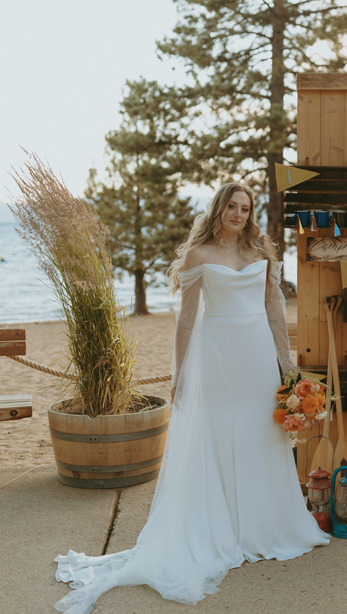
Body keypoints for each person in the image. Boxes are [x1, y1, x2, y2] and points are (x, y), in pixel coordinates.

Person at [53, 183, 329, 614]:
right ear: (219, 208)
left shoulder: (261, 250)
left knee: (259, 433)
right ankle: (222, 527)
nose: (238, 214)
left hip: (257, 353)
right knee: (217, 433)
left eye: (245, 208)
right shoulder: (199, 255)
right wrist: (180, 372)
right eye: (232, 206)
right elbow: (185, 321)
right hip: (217, 355)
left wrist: (286, 360)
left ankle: (263, 527)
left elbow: (274, 308)